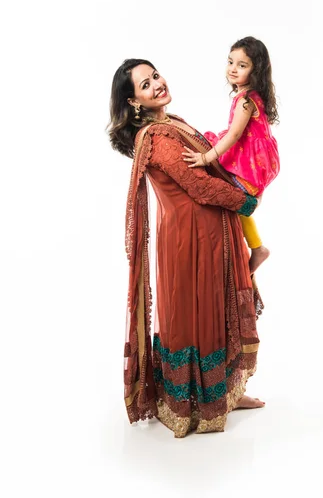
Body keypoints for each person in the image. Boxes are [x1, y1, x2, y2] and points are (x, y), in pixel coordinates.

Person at [107, 58, 265, 438]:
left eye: (156, 75)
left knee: (218, 310)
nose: (157, 84)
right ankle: (198, 402)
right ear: (133, 102)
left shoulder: (169, 122)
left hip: (208, 234)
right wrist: (246, 202)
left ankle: (225, 391)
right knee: (201, 315)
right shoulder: (158, 138)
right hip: (193, 242)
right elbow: (199, 187)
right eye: (146, 85)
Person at [183, 36, 280, 274]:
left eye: (242, 65)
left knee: (236, 198)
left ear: (256, 71)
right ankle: (255, 245)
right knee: (234, 198)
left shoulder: (246, 101)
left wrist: (206, 158)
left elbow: (235, 135)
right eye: (230, 62)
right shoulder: (249, 96)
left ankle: (257, 247)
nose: (233, 69)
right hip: (253, 157)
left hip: (251, 162)